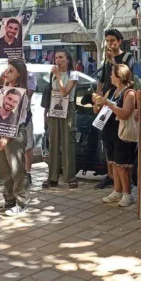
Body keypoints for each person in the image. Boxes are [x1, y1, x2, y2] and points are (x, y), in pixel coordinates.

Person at [94, 29, 136, 190]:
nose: (110, 44)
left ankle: (126, 186)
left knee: (120, 145)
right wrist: (98, 96)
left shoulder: (127, 57)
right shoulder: (106, 60)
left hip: (119, 103)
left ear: (119, 41)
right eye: (107, 41)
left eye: (112, 40)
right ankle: (112, 178)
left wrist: (112, 61)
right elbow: (102, 80)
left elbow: (124, 77)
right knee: (108, 142)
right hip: (107, 104)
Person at [0, 59, 31, 216]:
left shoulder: (20, 92)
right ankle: (9, 201)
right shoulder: (4, 88)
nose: (7, 73)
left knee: (16, 169)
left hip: (14, 133)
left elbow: (16, 117)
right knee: (2, 168)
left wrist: (6, 137)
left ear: (19, 74)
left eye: (11, 71)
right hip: (0, 131)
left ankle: (22, 202)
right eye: (6, 70)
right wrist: (1, 78)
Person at [95, 64, 138, 207]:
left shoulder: (129, 93)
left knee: (122, 165)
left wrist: (109, 103)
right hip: (109, 131)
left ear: (119, 76)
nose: (110, 77)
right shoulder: (112, 91)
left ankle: (127, 194)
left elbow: (125, 114)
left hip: (122, 133)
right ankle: (117, 190)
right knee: (113, 163)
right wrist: (98, 102)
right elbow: (99, 110)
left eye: (112, 75)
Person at [43, 50, 79, 189]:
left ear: (67, 59)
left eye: (61, 57)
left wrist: (58, 76)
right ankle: (52, 177)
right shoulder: (52, 74)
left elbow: (65, 92)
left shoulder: (73, 74)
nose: (58, 60)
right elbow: (49, 92)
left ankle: (70, 177)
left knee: (67, 142)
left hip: (67, 107)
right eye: (56, 58)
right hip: (54, 108)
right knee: (53, 142)